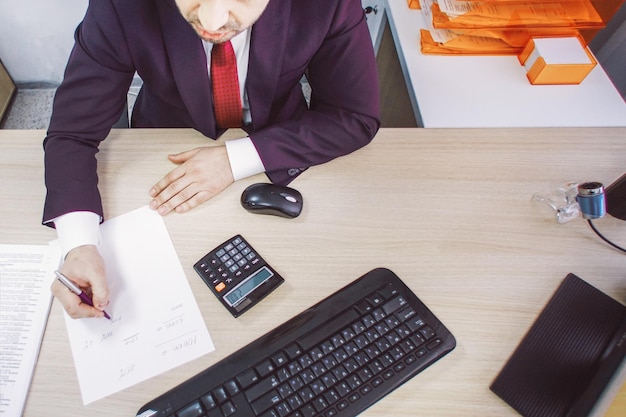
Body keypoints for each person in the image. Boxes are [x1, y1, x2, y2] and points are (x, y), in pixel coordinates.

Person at [43, 0, 380, 319]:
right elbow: (71, 132)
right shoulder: (120, 5)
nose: (212, 22)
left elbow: (353, 116)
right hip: (166, 139)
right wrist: (79, 244)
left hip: (284, 139)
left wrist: (234, 160)